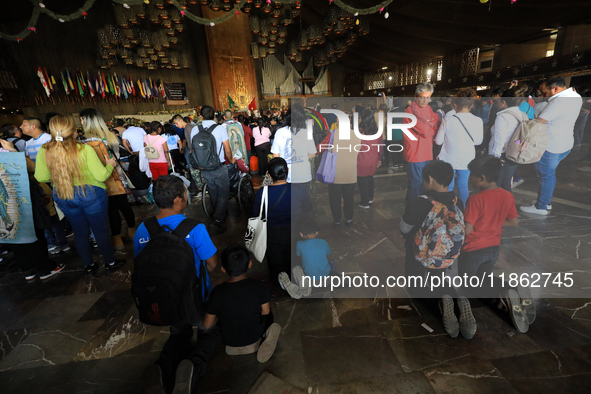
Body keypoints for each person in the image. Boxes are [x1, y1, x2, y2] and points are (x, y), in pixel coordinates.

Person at [134, 175, 218, 394]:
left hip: (164, 299)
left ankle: (161, 368)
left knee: (179, 333)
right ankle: (193, 366)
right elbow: (211, 263)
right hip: (196, 297)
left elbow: (142, 266)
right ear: (178, 200)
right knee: (208, 331)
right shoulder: (195, 228)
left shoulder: (144, 229)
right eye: (185, 193)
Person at [34, 114, 124, 273]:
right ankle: (110, 263)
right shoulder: (84, 149)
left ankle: (88, 265)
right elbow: (101, 176)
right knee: (100, 230)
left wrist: (57, 175)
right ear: (74, 131)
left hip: (63, 194)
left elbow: (41, 177)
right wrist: (110, 165)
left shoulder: (44, 150)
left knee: (80, 232)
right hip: (91, 194)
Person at [399, 160, 473, 339]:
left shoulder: (419, 202)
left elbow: (404, 229)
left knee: (418, 289)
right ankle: (454, 299)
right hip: (446, 257)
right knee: (440, 280)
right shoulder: (457, 202)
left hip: (420, 256)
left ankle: (440, 302)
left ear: (430, 179)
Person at [459, 156, 533, 333]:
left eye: (472, 175)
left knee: (468, 285)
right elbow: (513, 221)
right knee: (484, 279)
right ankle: (513, 290)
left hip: (472, 250)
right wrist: (493, 223)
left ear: (482, 178)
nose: (470, 179)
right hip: (492, 248)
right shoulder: (507, 196)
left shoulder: (475, 199)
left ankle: (504, 294)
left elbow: (467, 230)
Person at [203, 244, 281, 363]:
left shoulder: (217, 292)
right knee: (268, 314)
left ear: (223, 268)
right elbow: (265, 311)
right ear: (250, 264)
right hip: (254, 337)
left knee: (221, 314)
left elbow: (207, 325)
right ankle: (266, 334)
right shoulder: (259, 286)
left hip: (229, 342)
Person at [520, 77, 583, 215]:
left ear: (555, 89)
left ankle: (541, 206)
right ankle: (545, 201)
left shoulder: (559, 101)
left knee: (546, 176)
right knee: (549, 175)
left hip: (550, 146)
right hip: (565, 143)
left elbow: (538, 122)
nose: (542, 96)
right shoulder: (575, 95)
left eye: (544, 93)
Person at [80, 108, 136, 251]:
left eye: (81, 119)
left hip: (101, 179)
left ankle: (117, 240)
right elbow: (115, 157)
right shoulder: (110, 136)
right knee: (125, 206)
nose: (80, 122)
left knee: (112, 211)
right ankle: (132, 232)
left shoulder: (85, 141)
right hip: (117, 177)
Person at [435, 88, 484, 207]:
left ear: (455, 105)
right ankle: (464, 211)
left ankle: (447, 211)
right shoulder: (478, 120)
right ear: (471, 105)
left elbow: (438, 141)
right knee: (463, 185)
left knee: (449, 185)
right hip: (466, 159)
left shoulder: (448, 119)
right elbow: (478, 142)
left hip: (449, 158)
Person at [192, 106, 235, 233]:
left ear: (201, 116)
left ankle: (217, 212)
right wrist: (232, 160)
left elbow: (193, 149)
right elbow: (227, 149)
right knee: (223, 193)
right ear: (214, 116)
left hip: (203, 167)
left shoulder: (195, 129)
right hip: (218, 166)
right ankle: (217, 219)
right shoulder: (220, 128)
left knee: (213, 190)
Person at [403, 83, 442, 203]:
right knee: (416, 185)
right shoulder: (410, 111)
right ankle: (410, 215)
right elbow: (425, 132)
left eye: (428, 97)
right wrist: (430, 125)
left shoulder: (428, 108)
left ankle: (419, 211)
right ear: (415, 96)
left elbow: (438, 122)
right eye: (422, 97)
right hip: (415, 155)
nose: (425, 100)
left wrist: (430, 125)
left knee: (425, 185)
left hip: (427, 153)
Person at [279, 217, 332, 299]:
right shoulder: (323, 242)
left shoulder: (299, 244)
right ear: (317, 232)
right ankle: (302, 282)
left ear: (301, 234)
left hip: (310, 281)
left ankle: (298, 283)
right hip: (327, 280)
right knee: (330, 263)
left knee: (297, 266)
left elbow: (299, 256)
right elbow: (328, 256)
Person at [271, 104, 317, 186]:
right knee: (302, 198)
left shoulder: (280, 132)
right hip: (304, 175)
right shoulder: (307, 132)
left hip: (286, 177)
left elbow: (275, 156)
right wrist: (302, 156)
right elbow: (312, 154)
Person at [328, 113, 361, 226]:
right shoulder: (356, 134)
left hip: (335, 173)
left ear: (337, 122)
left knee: (335, 198)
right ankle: (349, 218)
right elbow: (358, 150)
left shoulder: (333, 134)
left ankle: (336, 220)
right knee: (349, 197)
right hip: (350, 171)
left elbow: (328, 150)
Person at [488, 90, 524, 191]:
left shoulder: (502, 117)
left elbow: (499, 139)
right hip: (514, 153)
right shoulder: (519, 114)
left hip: (502, 155)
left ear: (504, 102)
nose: (498, 102)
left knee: (496, 185)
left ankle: (499, 205)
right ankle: (507, 205)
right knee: (506, 184)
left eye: (499, 100)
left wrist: (495, 158)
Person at [357, 108, 382, 209]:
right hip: (373, 159)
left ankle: (364, 203)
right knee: (370, 178)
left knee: (363, 181)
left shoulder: (359, 132)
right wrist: (379, 159)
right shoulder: (376, 131)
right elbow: (380, 147)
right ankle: (370, 198)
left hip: (362, 159)